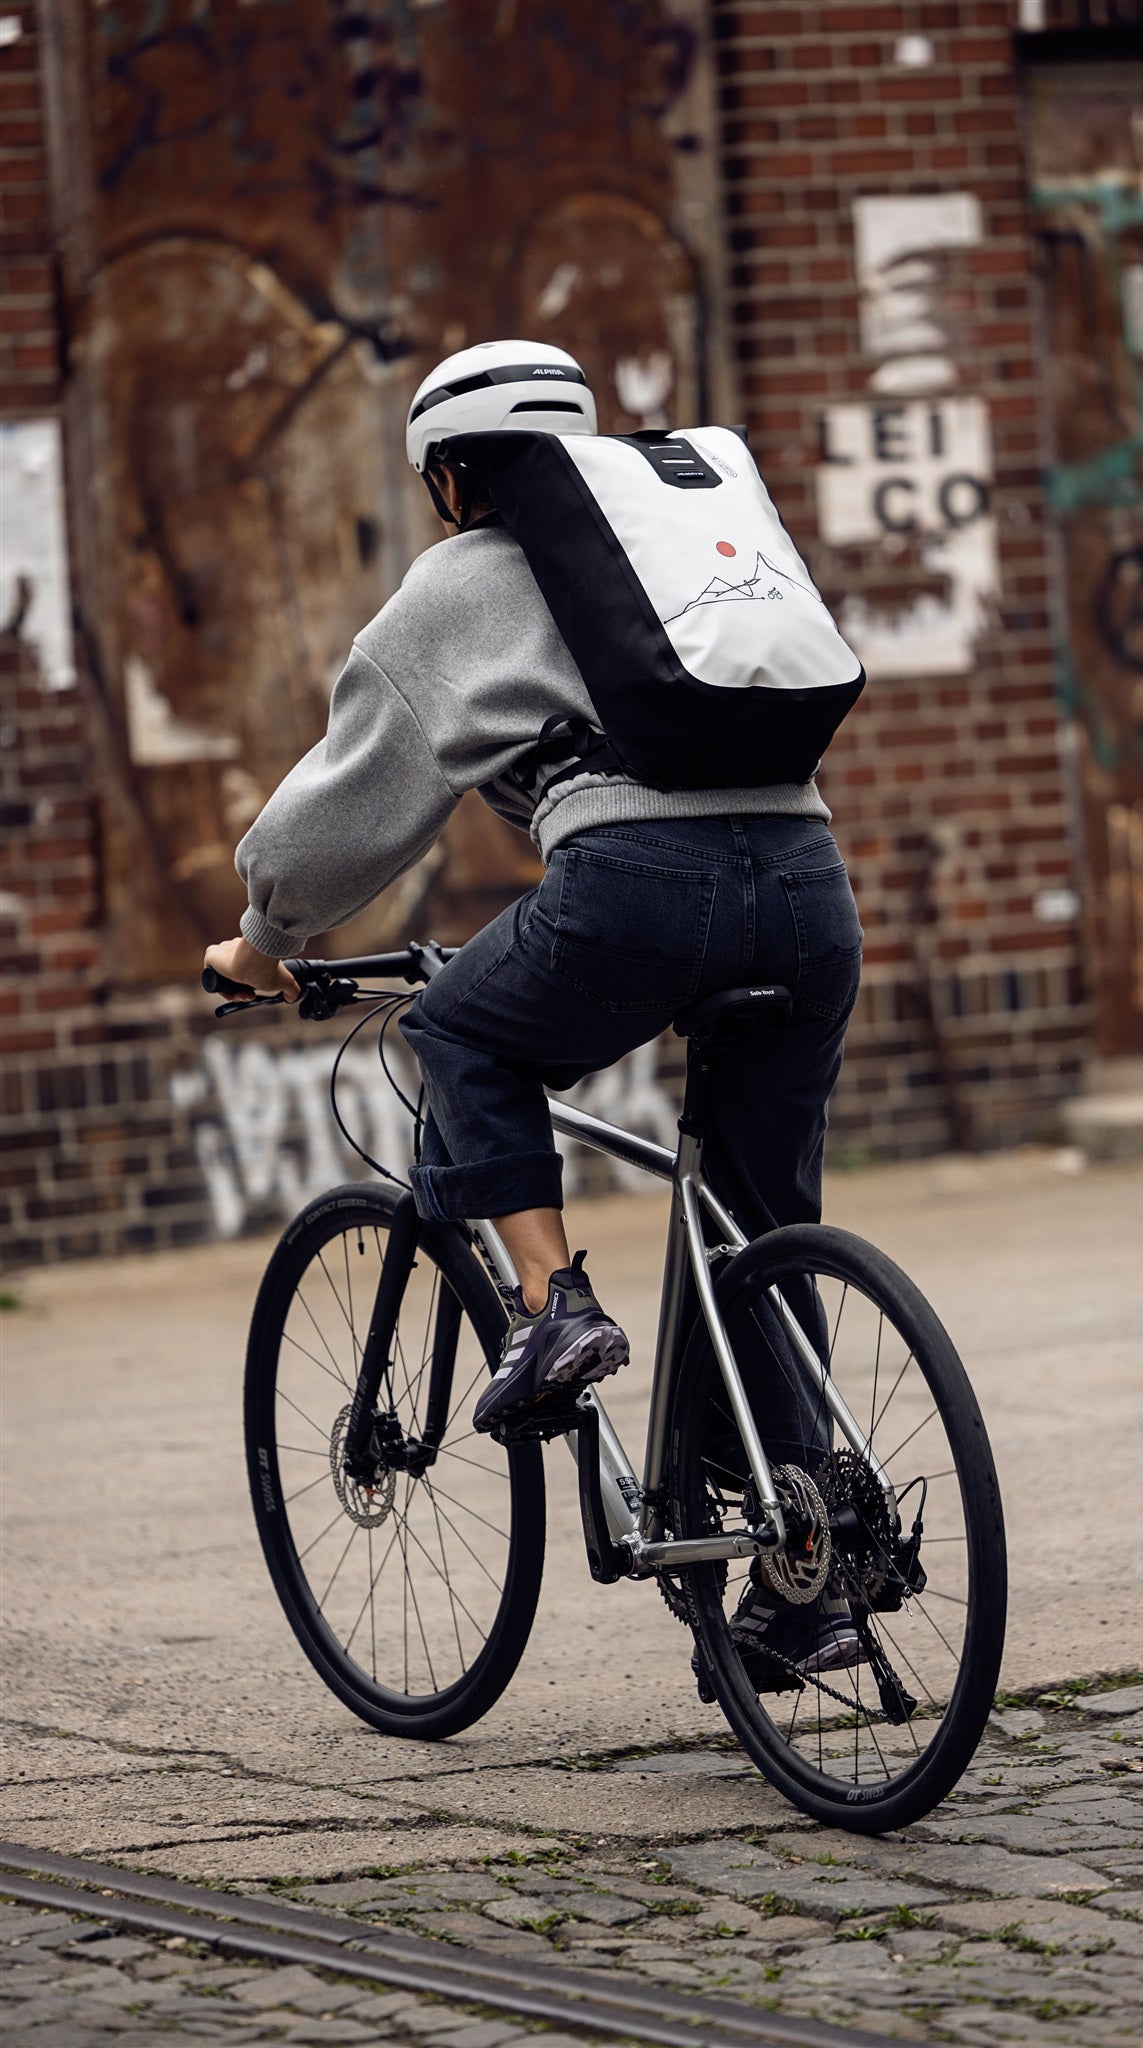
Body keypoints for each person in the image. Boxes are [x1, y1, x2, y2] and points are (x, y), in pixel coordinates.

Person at [204, 338, 864, 1676]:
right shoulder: (664, 547)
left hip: (639, 890)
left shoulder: (461, 582)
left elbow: (354, 796)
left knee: (454, 1032)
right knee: (752, 1229)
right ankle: (810, 1568)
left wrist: (267, 935)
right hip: (808, 884)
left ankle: (553, 1304)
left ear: (452, 479)